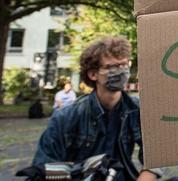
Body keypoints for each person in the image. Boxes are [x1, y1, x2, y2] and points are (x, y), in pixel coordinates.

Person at [32, 36, 160, 180]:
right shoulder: (65, 117)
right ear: (93, 74)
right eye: (112, 66)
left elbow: (157, 159)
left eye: (124, 65)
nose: (121, 71)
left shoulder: (138, 110)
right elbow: (42, 169)